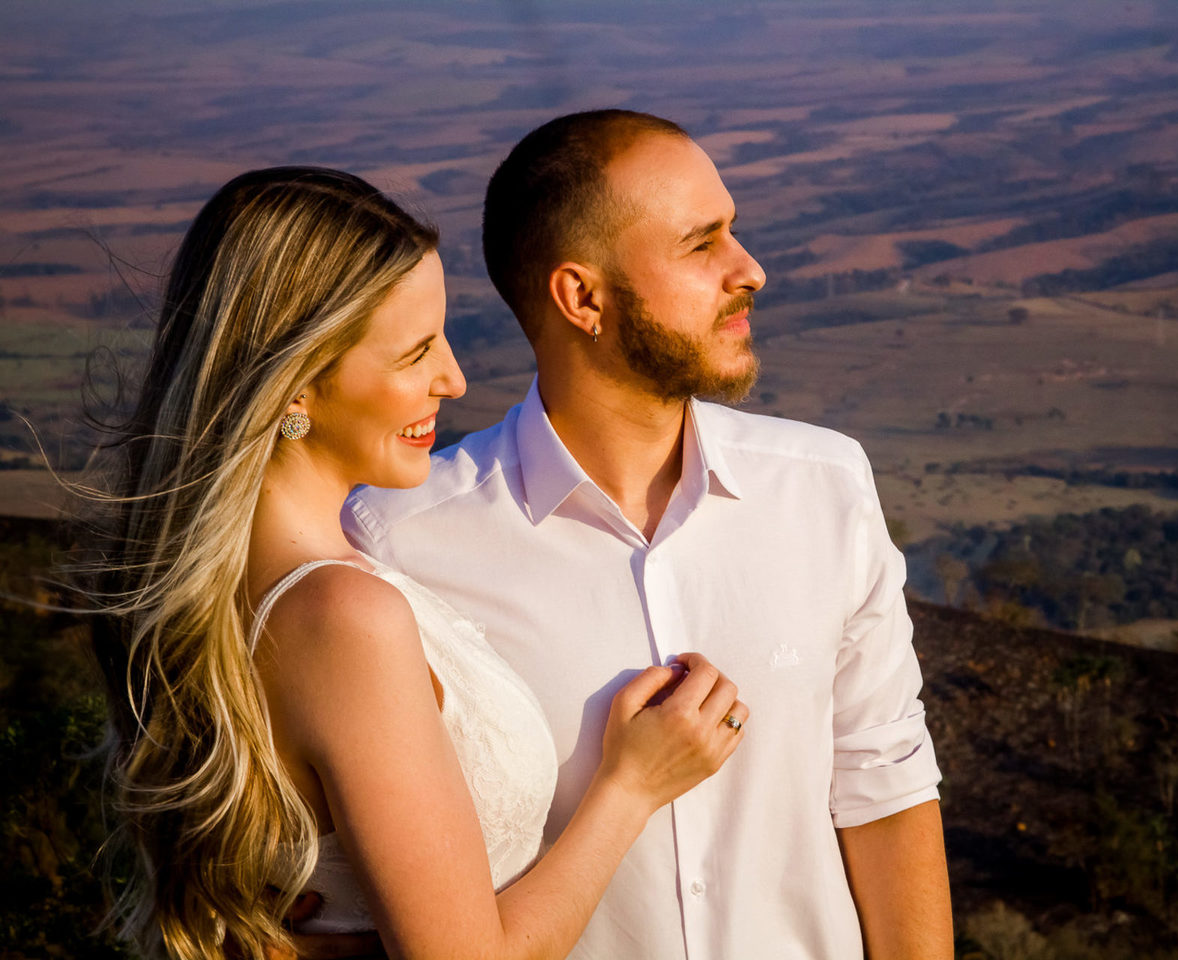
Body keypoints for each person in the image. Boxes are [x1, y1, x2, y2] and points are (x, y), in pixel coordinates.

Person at [86, 165, 747, 960]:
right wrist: (629, 788)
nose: (454, 378)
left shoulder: (271, 584)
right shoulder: (343, 617)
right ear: (294, 387)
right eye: (414, 354)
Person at [343, 110, 953, 958]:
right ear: (582, 297)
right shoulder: (397, 545)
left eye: (732, 234)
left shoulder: (825, 486)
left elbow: (884, 790)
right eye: (702, 245)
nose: (753, 271)